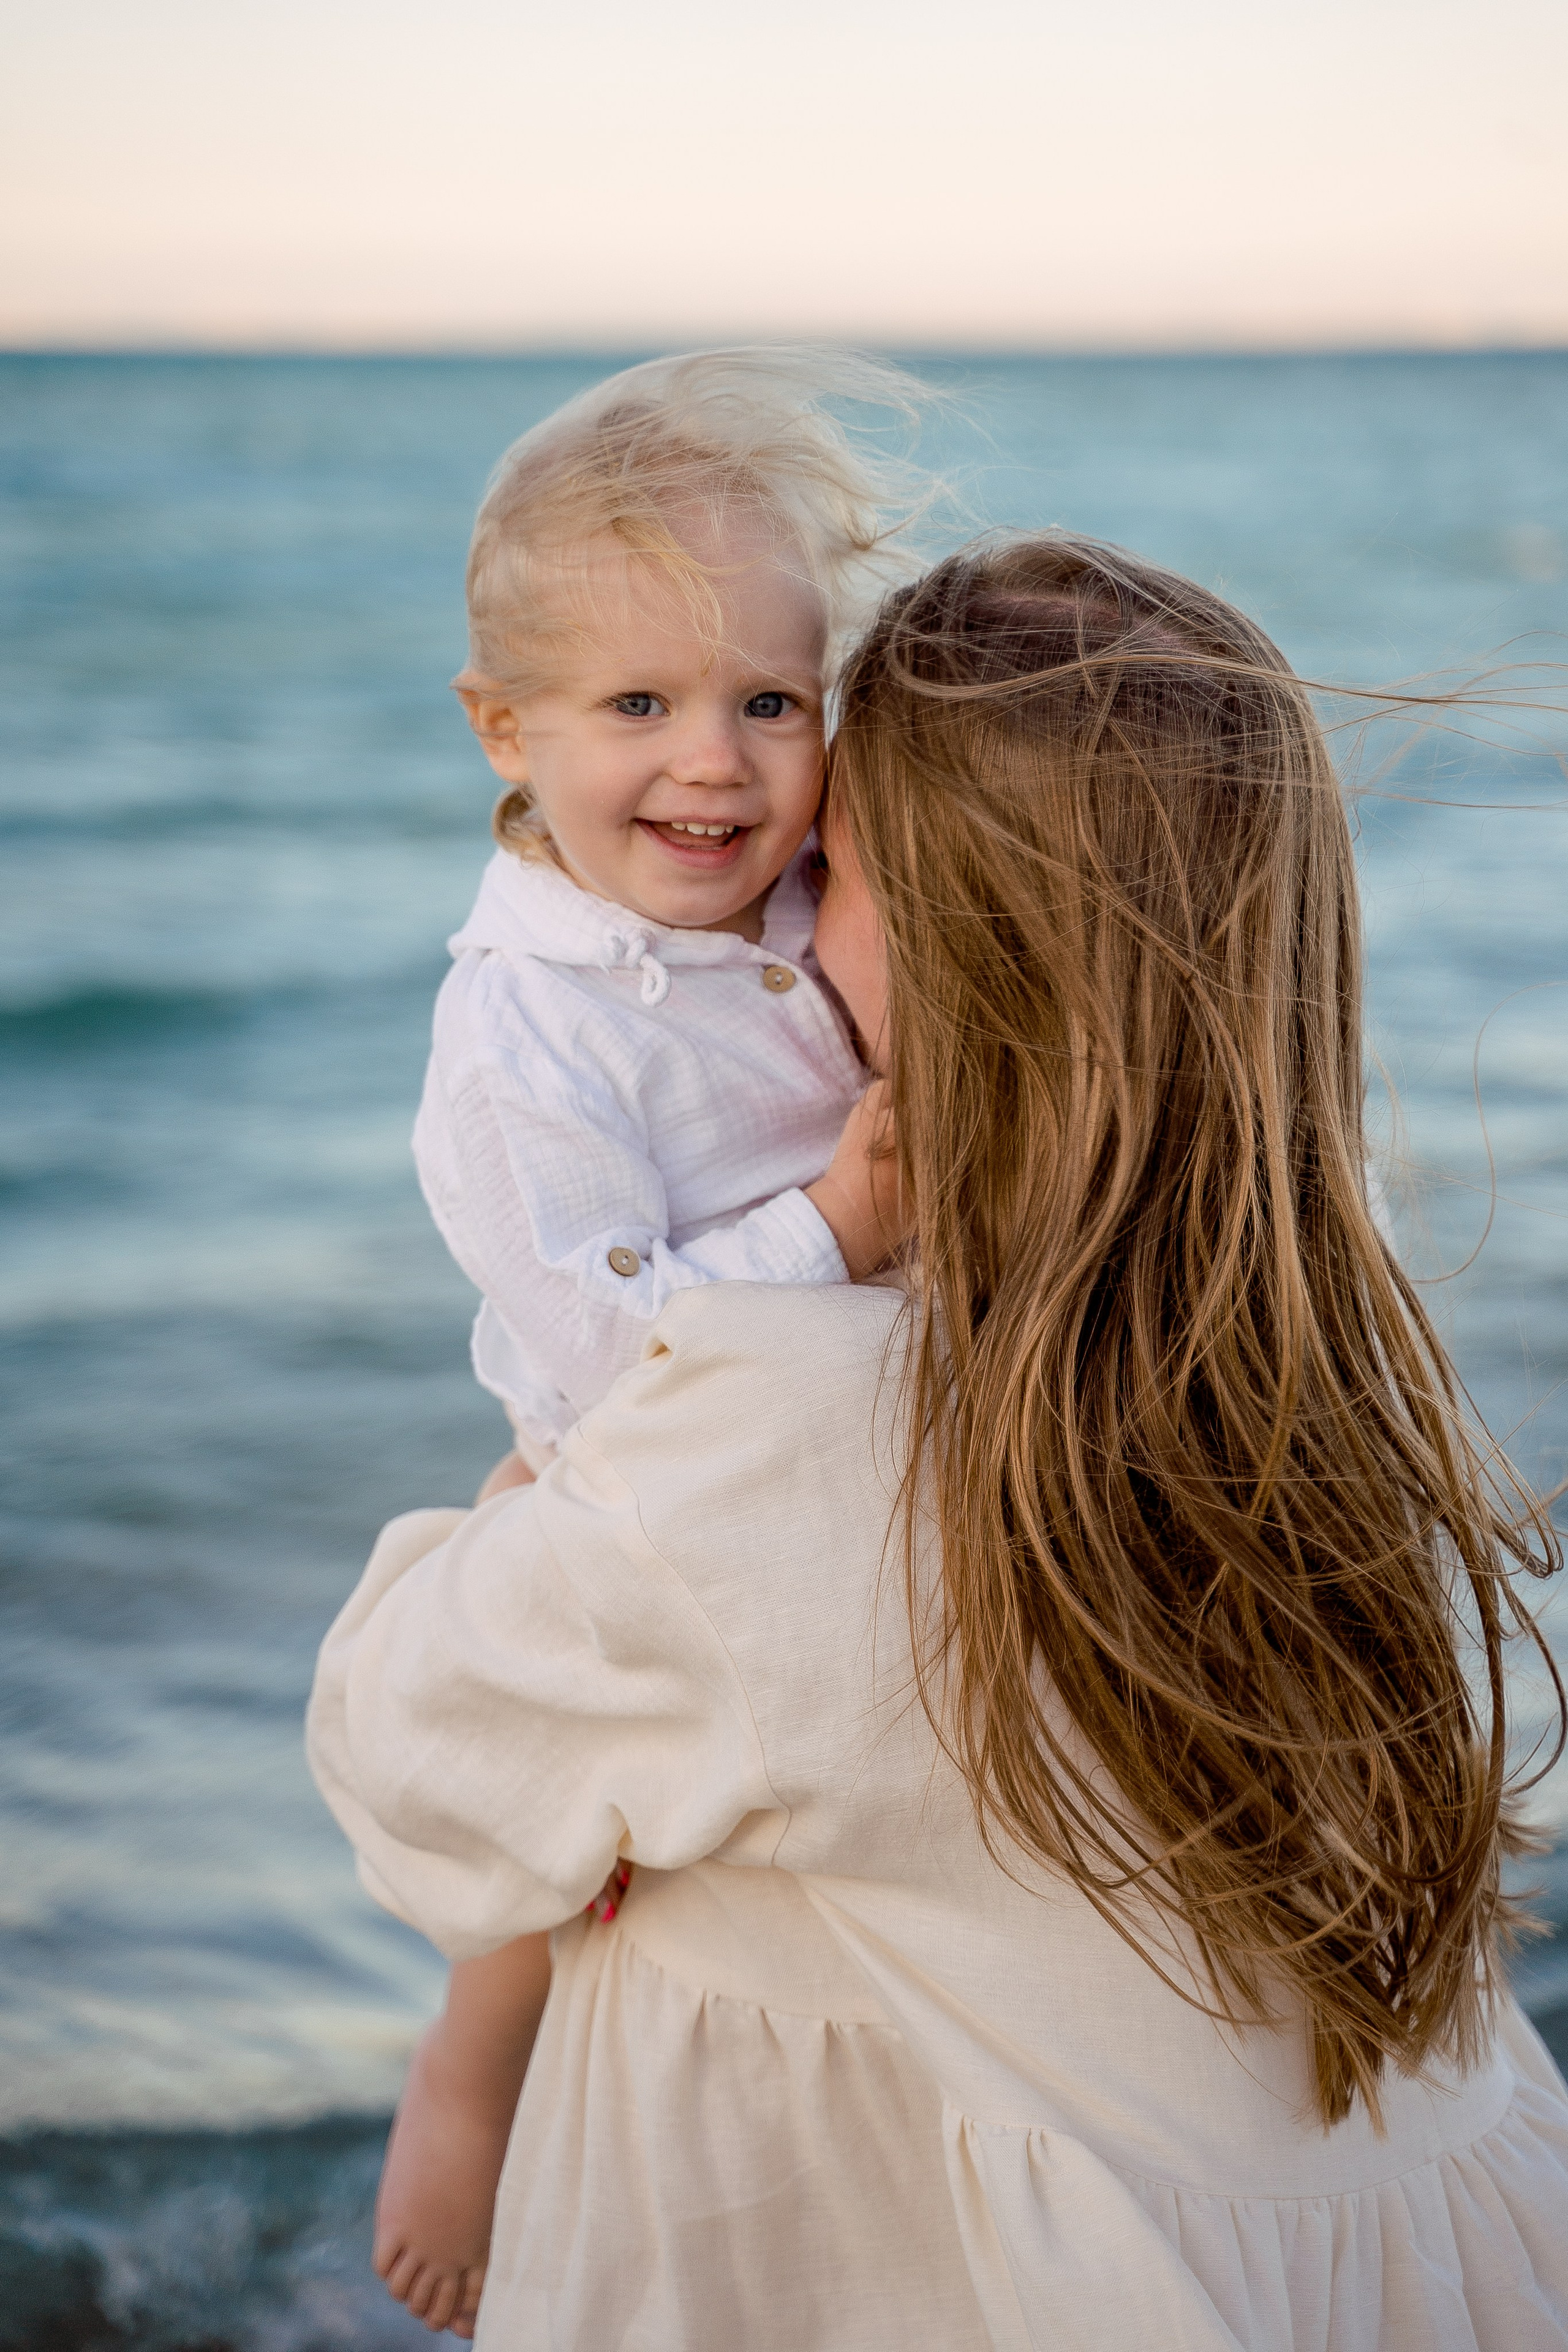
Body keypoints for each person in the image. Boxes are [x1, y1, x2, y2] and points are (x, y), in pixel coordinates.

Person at [310, 533, 1568, 2350]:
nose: (794, 922)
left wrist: (536, 1494)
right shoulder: (1316, 1369)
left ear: (974, 961)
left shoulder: (772, 1423)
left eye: (838, 871)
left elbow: (414, 1761)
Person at [374, 349, 930, 2330]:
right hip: (633, 1481)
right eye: (638, 707)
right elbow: (623, 1361)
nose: (716, 764)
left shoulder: (773, 905)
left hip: (831, 1435)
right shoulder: (519, 1041)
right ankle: (463, 2093)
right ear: (500, 730)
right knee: (582, 1822)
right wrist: (839, 1223)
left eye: (770, 704)